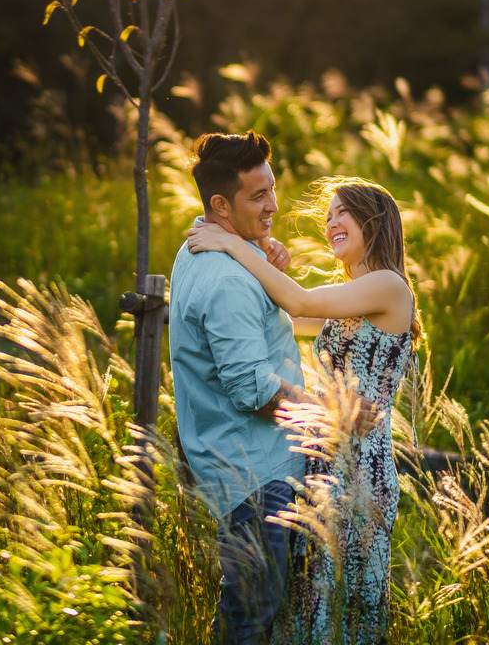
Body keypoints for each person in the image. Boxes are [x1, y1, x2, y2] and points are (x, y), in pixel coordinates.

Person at [186, 175, 422, 645]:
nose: (331, 223)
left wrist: (233, 247)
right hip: (324, 461)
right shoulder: (354, 295)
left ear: (374, 221)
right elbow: (288, 316)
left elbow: (299, 299)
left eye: (343, 213)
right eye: (328, 215)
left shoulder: (389, 286)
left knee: (344, 603)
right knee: (312, 597)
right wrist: (270, 258)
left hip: (360, 465)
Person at [169, 130, 317, 645]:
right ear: (220, 205)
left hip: (242, 463)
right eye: (258, 196)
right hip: (256, 473)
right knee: (251, 618)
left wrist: (254, 249)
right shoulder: (226, 277)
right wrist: (326, 415)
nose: (274, 205)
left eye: (271, 190)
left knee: (254, 613)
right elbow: (250, 387)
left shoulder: (198, 246)